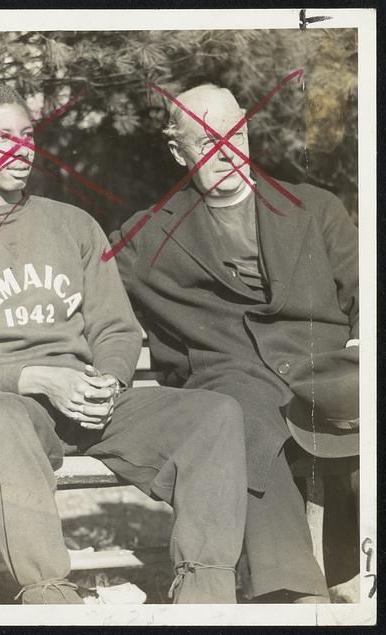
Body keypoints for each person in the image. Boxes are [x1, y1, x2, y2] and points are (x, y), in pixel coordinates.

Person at [0, 83, 249, 604]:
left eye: (27, 135)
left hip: (88, 403)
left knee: (215, 415)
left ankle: (206, 597)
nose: (21, 150)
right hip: (5, 410)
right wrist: (33, 378)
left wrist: (109, 377)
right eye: (1, 138)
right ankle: (51, 598)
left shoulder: (74, 225)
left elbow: (116, 328)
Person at [112, 83, 359, 603]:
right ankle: (292, 594)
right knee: (234, 417)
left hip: (329, 375)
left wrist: (360, 352)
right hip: (235, 383)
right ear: (178, 152)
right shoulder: (147, 238)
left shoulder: (316, 208)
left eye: (235, 131)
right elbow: (82, 288)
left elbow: (368, 292)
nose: (226, 150)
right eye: (205, 142)